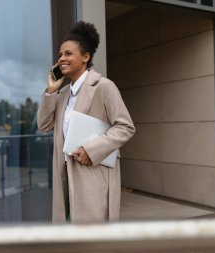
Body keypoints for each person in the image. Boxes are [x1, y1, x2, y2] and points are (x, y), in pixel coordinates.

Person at [37, 21, 135, 223]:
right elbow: (44, 125)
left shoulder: (104, 86)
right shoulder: (63, 94)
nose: (61, 59)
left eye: (68, 53)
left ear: (86, 57)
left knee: (92, 239)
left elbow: (125, 127)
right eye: (60, 55)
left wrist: (92, 149)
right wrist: (51, 91)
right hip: (65, 174)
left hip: (92, 175)